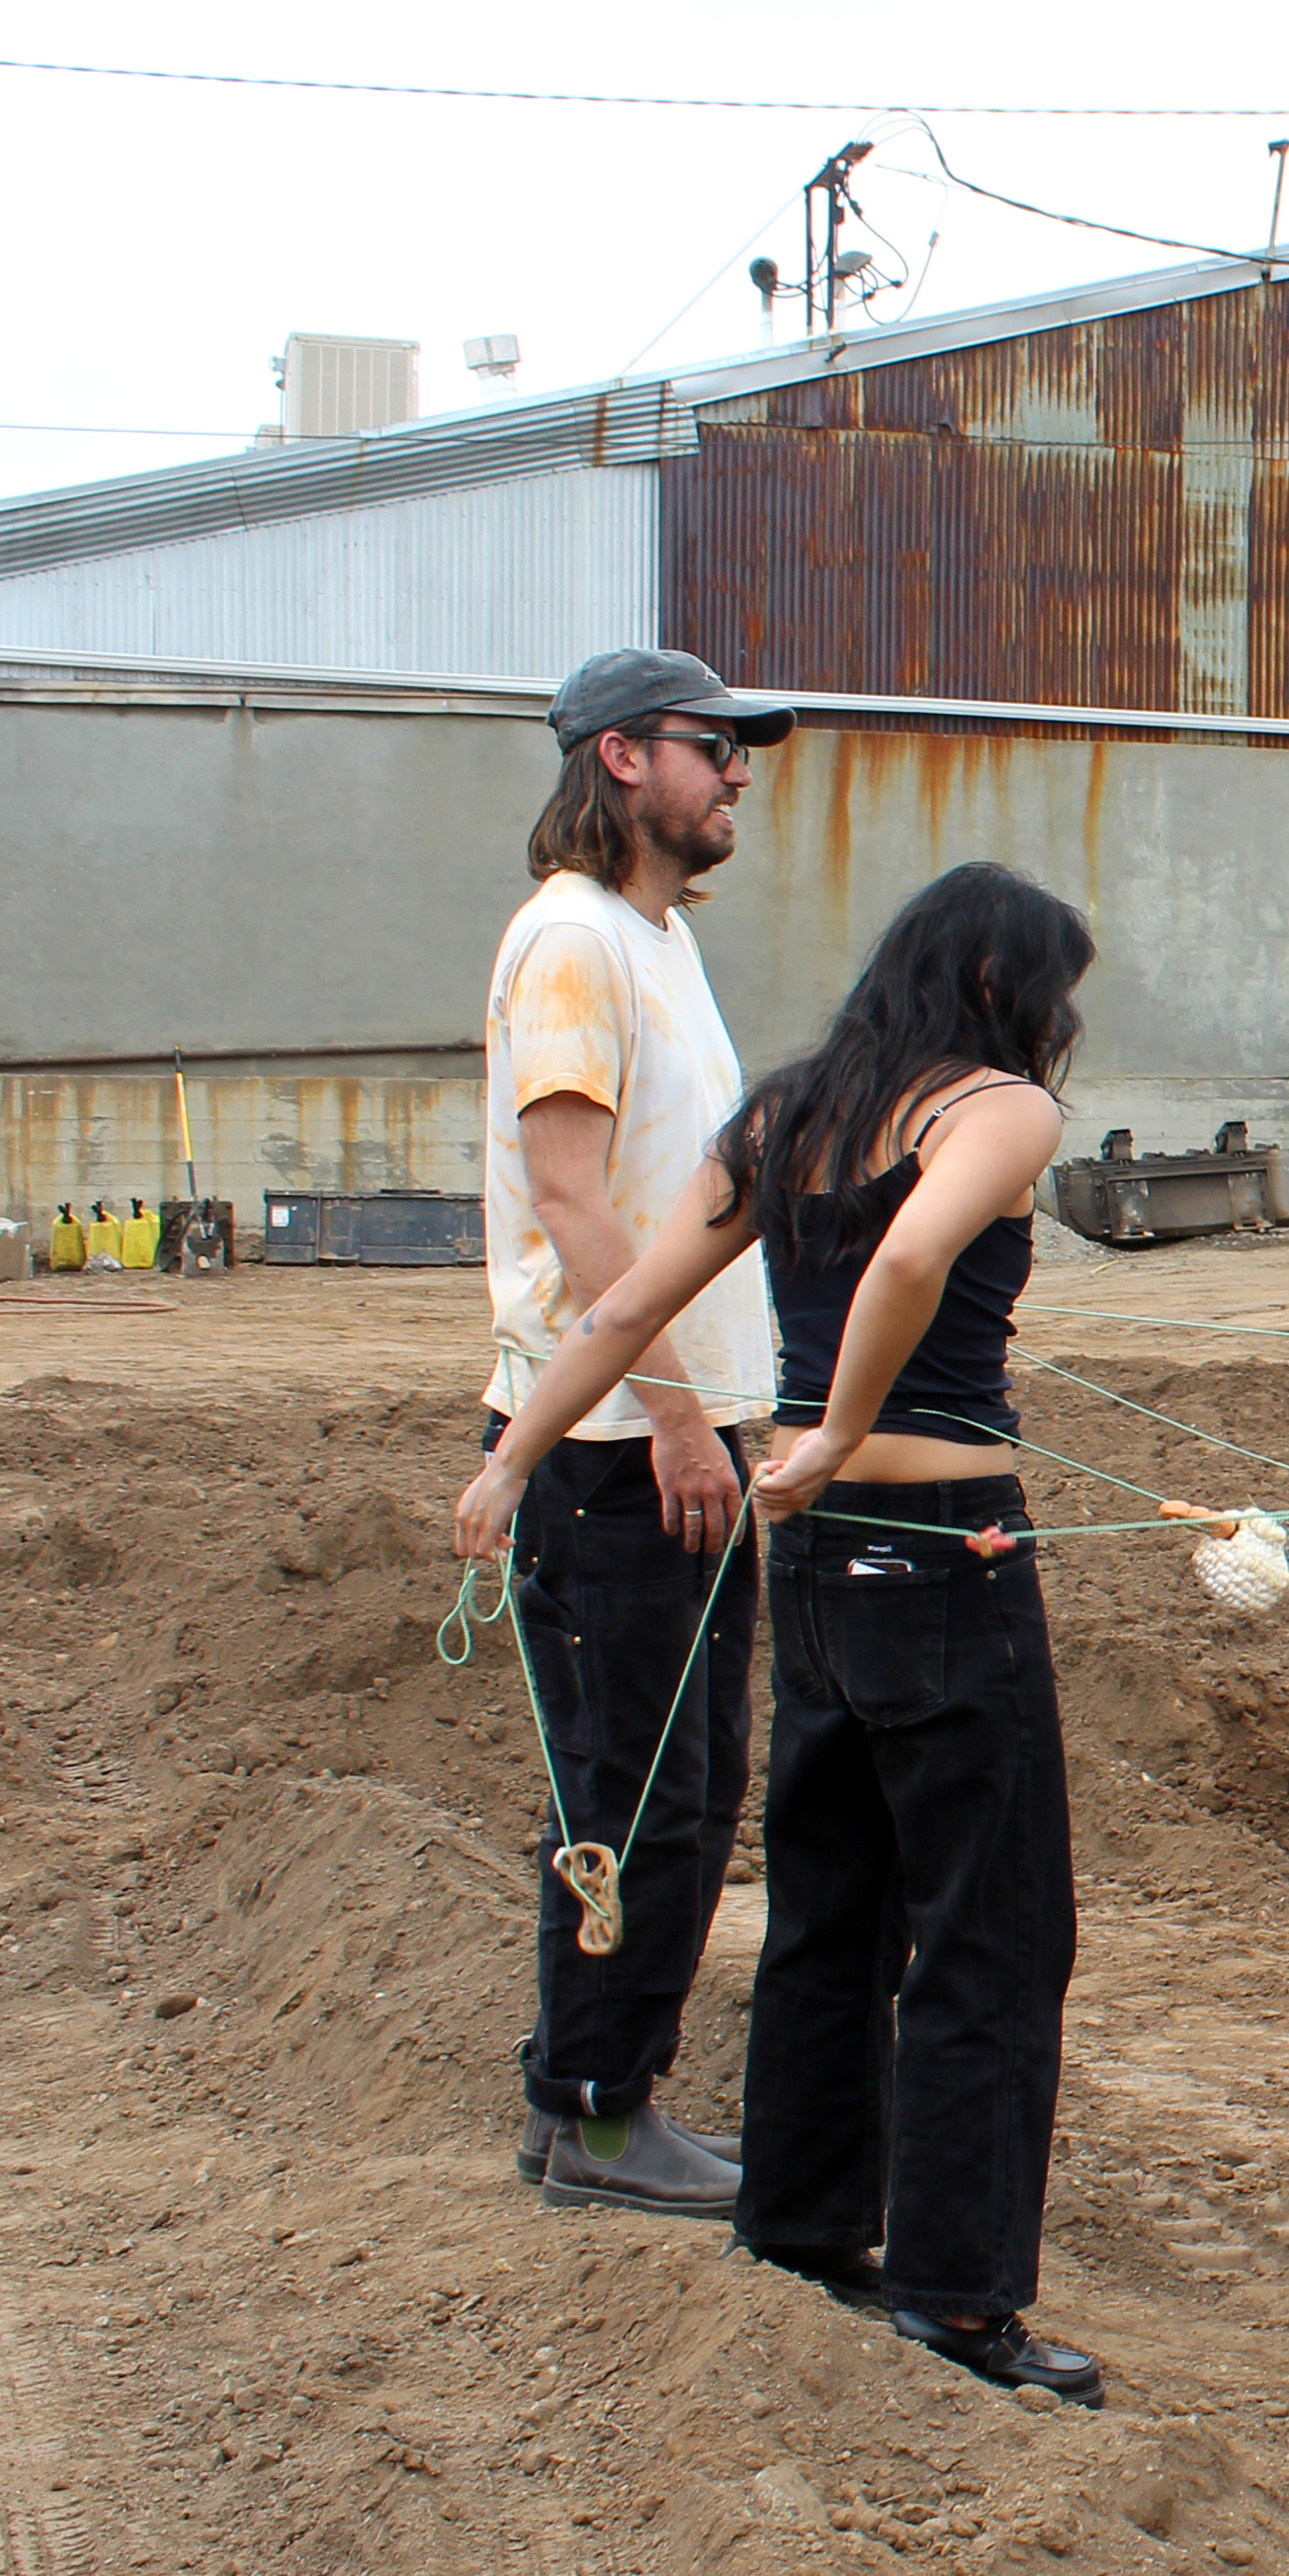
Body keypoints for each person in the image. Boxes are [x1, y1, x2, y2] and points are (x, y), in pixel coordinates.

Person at [459, 862, 1110, 2410]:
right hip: (941, 1548)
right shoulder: (998, 1108)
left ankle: (803, 2223)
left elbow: (616, 1312)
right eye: (1054, 987)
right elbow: (907, 1261)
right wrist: (840, 1432)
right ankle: (961, 2299)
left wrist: (508, 1457)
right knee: (993, 1935)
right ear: (1001, 983)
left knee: (831, 1908)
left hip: (814, 1560)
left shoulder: (788, 1113)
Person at [480, 646, 798, 2219]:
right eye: (712, 745)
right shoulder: (571, 943)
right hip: (618, 1448)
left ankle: (592, 2098)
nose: (738, 770)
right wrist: (673, 1412)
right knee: (637, 1794)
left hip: (679, 1431)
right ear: (619, 757)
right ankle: (598, 2118)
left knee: (678, 1782)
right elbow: (572, 1201)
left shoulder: (653, 941)